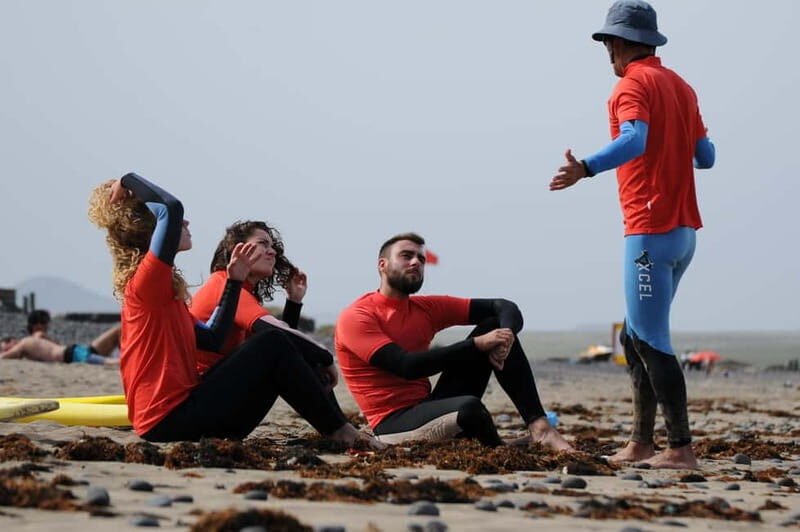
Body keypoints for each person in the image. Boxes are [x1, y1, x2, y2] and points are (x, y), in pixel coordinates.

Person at [88, 173, 382, 448]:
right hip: (169, 421)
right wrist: (128, 179)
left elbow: (214, 338)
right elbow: (172, 209)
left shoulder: (168, 298)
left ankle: (340, 430)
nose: (187, 223)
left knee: (279, 347)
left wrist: (236, 280)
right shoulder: (146, 283)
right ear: (151, 232)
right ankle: (340, 431)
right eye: (181, 224)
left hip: (195, 415)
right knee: (273, 343)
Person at [549, 0, 715, 469]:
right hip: (684, 234)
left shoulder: (631, 84)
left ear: (619, 44)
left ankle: (680, 449)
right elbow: (707, 157)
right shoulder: (683, 87)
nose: (608, 54)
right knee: (634, 338)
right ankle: (641, 444)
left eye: (608, 45)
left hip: (649, 231)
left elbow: (635, 140)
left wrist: (586, 167)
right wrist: (677, 141)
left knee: (650, 338)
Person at [335, 232, 573, 450]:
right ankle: (500, 449)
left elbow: (504, 306)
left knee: (494, 325)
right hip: (393, 425)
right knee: (469, 407)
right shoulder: (356, 317)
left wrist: (506, 336)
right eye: (406, 256)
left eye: (421, 258)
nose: (416, 262)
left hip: (428, 406)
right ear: (382, 265)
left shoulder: (426, 308)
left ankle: (541, 430)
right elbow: (405, 366)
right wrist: (476, 345)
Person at [190, 220, 343, 412]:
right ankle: (340, 429)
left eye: (272, 246)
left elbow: (280, 346)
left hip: (216, 393)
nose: (273, 252)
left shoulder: (239, 289)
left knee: (299, 349)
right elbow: (276, 336)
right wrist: (325, 357)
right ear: (237, 249)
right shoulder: (224, 285)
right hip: (200, 398)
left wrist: (294, 302)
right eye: (263, 243)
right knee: (306, 352)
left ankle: (340, 429)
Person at [0, 323, 121, 365]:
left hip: (71, 354)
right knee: (108, 361)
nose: (5, 350)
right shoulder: (29, 343)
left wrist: (3, 354)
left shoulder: (24, 343)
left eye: (3, 347)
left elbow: (6, 356)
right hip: (72, 352)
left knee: (110, 362)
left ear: (11, 342)